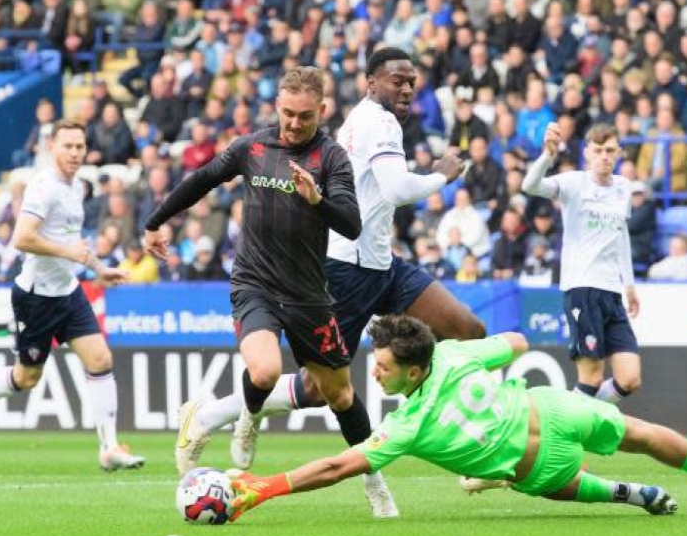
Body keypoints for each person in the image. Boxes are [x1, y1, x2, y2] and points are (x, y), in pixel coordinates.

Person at [174, 48, 483, 498]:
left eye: (411, 81)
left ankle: (478, 445)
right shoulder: (376, 121)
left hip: (383, 263)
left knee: (466, 329)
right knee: (322, 389)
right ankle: (209, 415)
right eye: (396, 80)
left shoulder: (370, 122)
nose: (406, 88)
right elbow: (398, 189)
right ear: (370, 83)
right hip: (342, 268)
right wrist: (441, 175)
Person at [143, 67, 399, 518]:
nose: (294, 123)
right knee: (262, 372)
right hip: (255, 282)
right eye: (287, 113)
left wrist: (317, 199)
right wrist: (154, 222)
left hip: (308, 295)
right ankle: (249, 415)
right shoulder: (253, 148)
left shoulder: (332, 158)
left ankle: (374, 481)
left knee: (339, 395)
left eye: (304, 116)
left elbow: (352, 224)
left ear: (321, 111)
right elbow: (201, 179)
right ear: (276, 106)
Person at [225, 315, 687, 522]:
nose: (376, 376)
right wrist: (488, 354)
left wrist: (262, 488)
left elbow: (339, 467)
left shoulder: (407, 426)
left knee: (565, 478)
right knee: (637, 435)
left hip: (534, 462)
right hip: (550, 409)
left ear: (413, 370)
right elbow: (518, 342)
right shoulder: (454, 354)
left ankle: (647, 491)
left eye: (384, 368)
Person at [0, 120, 145, 472]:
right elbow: (22, 238)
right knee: (27, 378)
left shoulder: (76, 188)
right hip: (37, 297)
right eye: (67, 146)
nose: (74, 153)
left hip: (68, 291)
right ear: (52, 147)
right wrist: (67, 254)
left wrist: (99, 270)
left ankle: (109, 448)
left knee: (100, 360)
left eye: (79, 147)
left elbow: (74, 241)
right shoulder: (44, 187)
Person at [522, 122, 642, 404]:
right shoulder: (573, 183)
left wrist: (630, 284)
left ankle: (569, 415)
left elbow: (620, 234)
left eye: (610, 150)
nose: (604, 156)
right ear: (587, 153)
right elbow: (529, 185)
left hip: (612, 292)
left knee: (630, 378)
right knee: (591, 377)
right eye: (598, 150)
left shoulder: (623, 187)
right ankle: (567, 426)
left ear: (619, 153)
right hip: (582, 288)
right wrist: (547, 158)